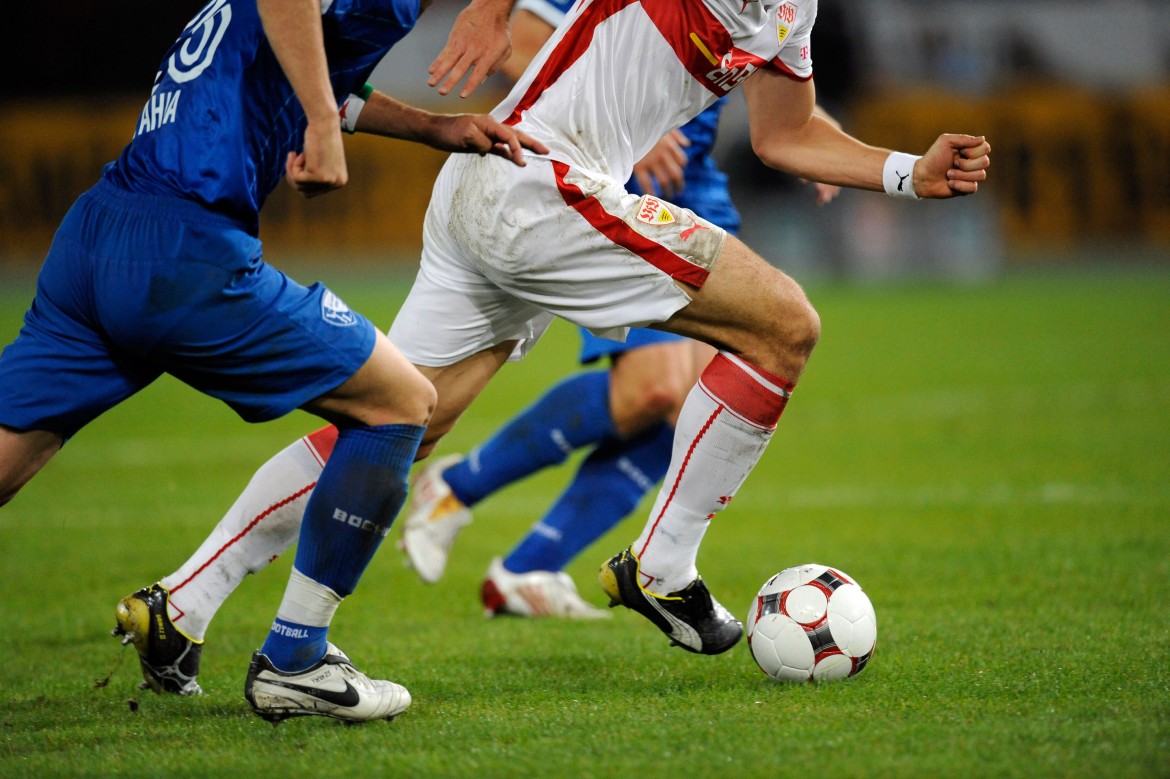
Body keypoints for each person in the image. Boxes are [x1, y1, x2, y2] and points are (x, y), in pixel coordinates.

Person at [106, 0, 991, 688]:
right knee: (785, 325)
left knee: (396, 417)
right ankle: (662, 562)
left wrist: (907, 172)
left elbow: (784, 132)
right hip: (544, 189)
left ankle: (183, 599)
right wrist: (493, 8)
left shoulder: (791, 10)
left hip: (494, 181)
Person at [0, 0, 545, 724]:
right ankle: (297, 659)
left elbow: (303, 64)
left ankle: (198, 610)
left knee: (9, 454)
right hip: (184, 249)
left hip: (98, 232)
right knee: (401, 402)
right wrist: (321, 121)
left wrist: (432, 128)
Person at [398, 0, 844, 618]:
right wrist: (627, 128)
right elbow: (527, 35)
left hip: (691, 182)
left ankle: (527, 567)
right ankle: (457, 486)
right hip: (600, 171)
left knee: (696, 408)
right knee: (656, 390)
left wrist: (811, 132)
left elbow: (758, 69)